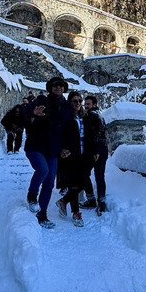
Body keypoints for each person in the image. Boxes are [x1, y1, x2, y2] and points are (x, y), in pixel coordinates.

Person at [23, 77, 77, 228]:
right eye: (55, 86)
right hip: (35, 145)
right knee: (43, 170)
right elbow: (24, 113)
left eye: (61, 86)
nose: (58, 88)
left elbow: (70, 130)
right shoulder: (41, 100)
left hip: (54, 149)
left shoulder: (67, 107)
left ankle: (42, 214)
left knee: (49, 183)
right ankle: (32, 195)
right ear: (50, 88)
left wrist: (67, 147)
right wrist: (33, 113)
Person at [55, 92, 91, 227]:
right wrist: (63, 148)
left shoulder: (84, 117)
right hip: (70, 154)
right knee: (74, 185)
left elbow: (89, 136)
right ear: (69, 102)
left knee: (82, 183)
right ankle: (76, 213)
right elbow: (59, 134)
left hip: (84, 155)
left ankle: (64, 201)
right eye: (74, 101)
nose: (77, 103)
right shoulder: (64, 116)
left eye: (79, 101)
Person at [81, 95, 109, 215]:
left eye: (88, 104)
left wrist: (96, 151)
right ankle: (100, 202)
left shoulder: (92, 115)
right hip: (100, 150)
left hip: (96, 151)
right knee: (98, 176)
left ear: (94, 104)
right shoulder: (98, 115)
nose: (86, 106)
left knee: (86, 174)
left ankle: (93, 200)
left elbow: (97, 133)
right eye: (85, 104)